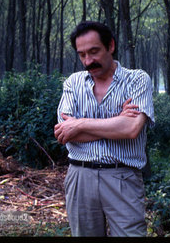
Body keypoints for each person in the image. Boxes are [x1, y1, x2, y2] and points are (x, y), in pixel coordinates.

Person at [54, 21, 154, 237]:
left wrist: (79, 124)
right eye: (82, 55)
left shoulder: (137, 80)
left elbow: (130, 129)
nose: (88, 61)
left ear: (110, 45)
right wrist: (117, 120)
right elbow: (64, 133)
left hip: (122, 178)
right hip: (80, 177)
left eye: (94, 51)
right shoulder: (73, 83)